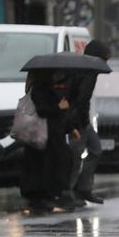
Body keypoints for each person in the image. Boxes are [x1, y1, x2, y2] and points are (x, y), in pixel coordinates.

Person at [21, 70, 79, 212]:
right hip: (43, 136)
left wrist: (70, 128)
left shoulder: (45, 88)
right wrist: (59, 106)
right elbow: (43, 109)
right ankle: (40, 197)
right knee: (44, 166)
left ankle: (46, 196)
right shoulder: (39, 88)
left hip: (46, 136)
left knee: (48, 165)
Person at [68, 40, 111, 205]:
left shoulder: (90, 71)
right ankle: (69, 192)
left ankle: (83, 188)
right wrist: (79, 124)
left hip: (81, 120)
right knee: (75, 156)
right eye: (104, 59)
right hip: (77, 121)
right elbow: (81, 100)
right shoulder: (87, 73)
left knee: (95, 150)